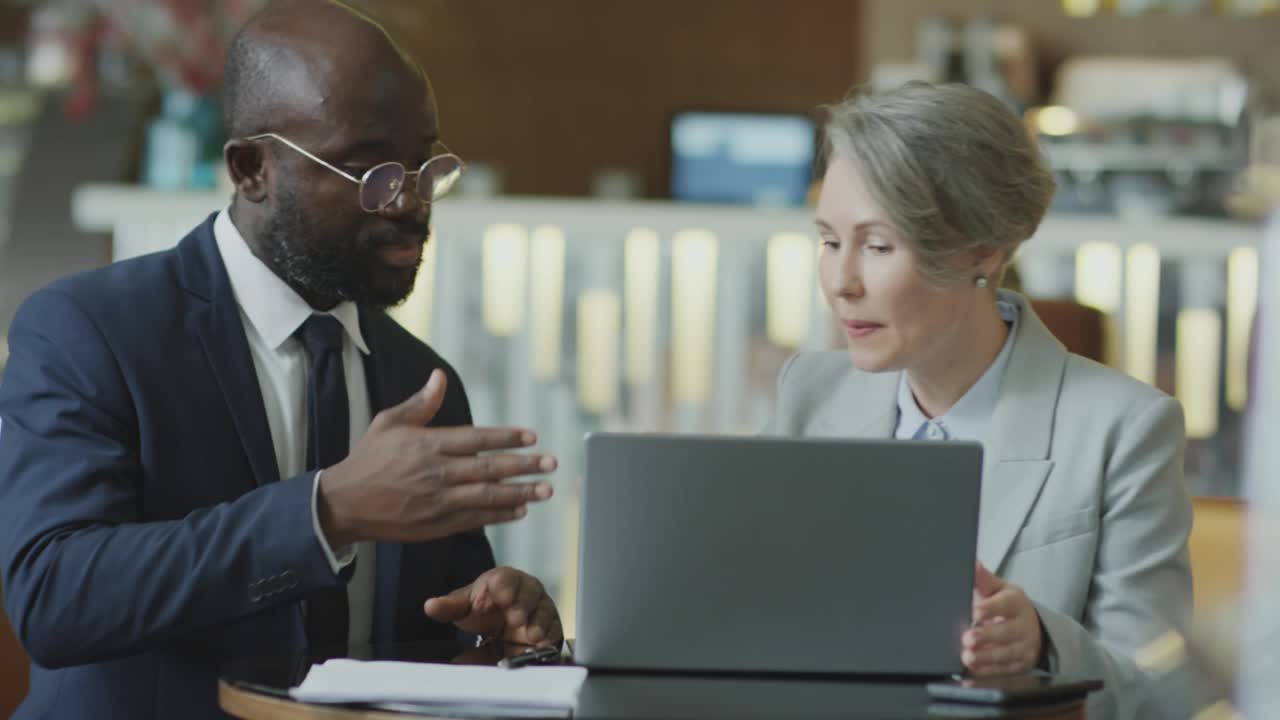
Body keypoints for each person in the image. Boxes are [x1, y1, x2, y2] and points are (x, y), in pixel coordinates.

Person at [0, 2, 564, 718]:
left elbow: (424, 643)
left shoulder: (423, 383)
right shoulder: (89, 331)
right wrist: (323, 513)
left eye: (426, 165)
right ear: (250, 168)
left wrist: (498, 632)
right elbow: (56, 597)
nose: (412, 201)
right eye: (373, 171)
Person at [766, 82, 1192, 720]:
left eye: (878, 246)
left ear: (983, 250)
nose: (840, 283)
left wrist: (1044, 646)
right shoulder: (808, 392)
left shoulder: (1124, 429)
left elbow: (1158, 692)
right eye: (829, 241)